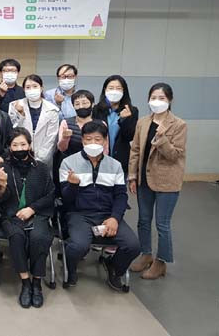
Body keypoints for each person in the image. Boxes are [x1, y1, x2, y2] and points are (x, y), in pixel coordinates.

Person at [59, 121, 140, 291]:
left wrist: (114, 218)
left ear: (105, 141)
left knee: (133, 246)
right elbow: (66, 199)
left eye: (97, 139)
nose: (93, 143)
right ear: (82, 140)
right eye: (88, 139)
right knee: (78, 246)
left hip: (107, 214)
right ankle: (71, 270)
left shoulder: (115, 165)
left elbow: (121, 196)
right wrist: (72, 185)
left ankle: (114, 267)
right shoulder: (68, 163)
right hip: (79, 214)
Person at [128, 83, 187, 280]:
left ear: (170, 100)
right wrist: (132, 176)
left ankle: (161, 262)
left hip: (167, 180)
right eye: (153, 97)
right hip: (144, 178)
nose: (157, 101)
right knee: (143, 220)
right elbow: (135, 150)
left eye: (161, 98)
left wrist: (162, 138)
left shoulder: (178, 124)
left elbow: (175, 155)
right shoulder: (143, 122)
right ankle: (146, 254)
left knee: (162, 223)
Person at [0, 128, 54, 308]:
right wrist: (1, 185)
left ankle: (37, 283)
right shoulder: (4, 167)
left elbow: (51, 194)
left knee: (39, 237)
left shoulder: (41, 168)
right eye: (15, 145)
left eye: (23, 144)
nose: (19, 148)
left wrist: (32, 209)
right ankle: (26, 282)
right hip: (11, 215)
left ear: (29, 145)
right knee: (16, 237)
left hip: (37, 214)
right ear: (9, 147)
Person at [8, 74, 59, 166]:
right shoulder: (14, 105)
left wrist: (40, 159)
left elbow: (51, 138)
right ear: (24, 89)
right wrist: (20, 114)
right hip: (20, 154)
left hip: (44, 158)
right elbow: (13, 131)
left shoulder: (52, 109)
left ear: (41, 88)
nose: (32, 90)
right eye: (28, 87)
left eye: (35, 86)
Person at [92, 75, 139, 175]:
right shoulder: (96, 109)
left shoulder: (132, 110)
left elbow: (130, 136)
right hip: (99, 158)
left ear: (123, 91)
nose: (114, 91)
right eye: (111, 88)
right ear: (105, 90)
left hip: (121, 159)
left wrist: (124, 120)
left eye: (118, 88)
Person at [57, 90, 95, 158]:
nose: (81, 106)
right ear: (73, 106)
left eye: (84, 103)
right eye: (77, 104)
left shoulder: (100, 124)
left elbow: (105, 149)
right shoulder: (66, 123)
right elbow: (61, 149)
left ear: (92, 104)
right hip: (70, 161)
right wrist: (65, 138)